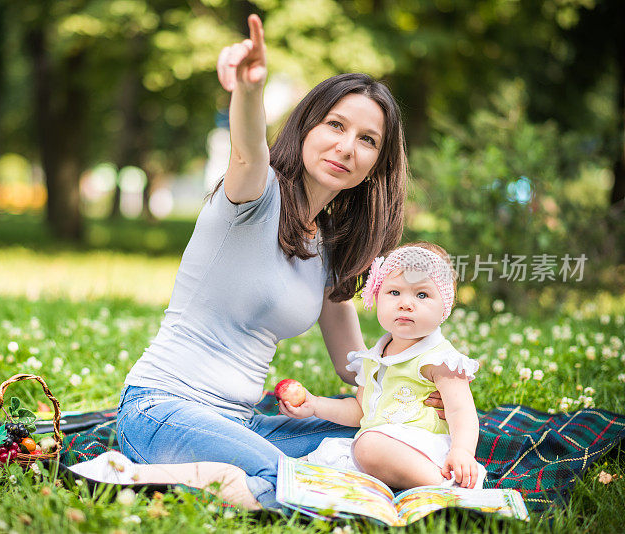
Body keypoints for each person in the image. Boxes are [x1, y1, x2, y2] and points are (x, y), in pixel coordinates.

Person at [108, 14, 442, 509]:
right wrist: (247, 89)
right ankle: (183, 479)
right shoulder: (256, 194)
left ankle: (222, 477)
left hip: (238, 422)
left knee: (372, 451)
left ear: (377, 163)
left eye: (367, 140)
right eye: (336, 125)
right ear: (307, 125)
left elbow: (354, 367)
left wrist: (419, 382)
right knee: (289, 481)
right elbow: (246, 150)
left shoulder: (329, 249)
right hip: (162, 408)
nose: (346, 147)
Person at [286, 242, 485, 490]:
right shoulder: (374, 358)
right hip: (379, 443)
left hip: (423, 450)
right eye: (394, 292)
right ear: (376, 296)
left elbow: (461, 412)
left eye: (422, 295)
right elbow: (361, 410)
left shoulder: (441, 359)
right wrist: (315, 405)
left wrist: (462, 451)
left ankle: (442, 483)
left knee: (368, 446)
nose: (405, 303)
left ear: (445, 306)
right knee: (324, 457)